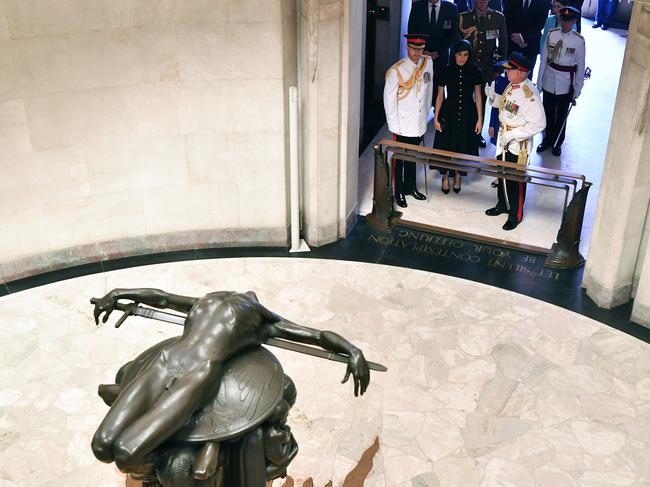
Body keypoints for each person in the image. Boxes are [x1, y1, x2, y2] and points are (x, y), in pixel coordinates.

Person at [91, 288, 370, 475]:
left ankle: (198, 455)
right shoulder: (249, 314)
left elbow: (161, 298)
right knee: (104, 447)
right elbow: (318, 336)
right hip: (166, 361)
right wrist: (351, 351)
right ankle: (169, 448)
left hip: (196, 373)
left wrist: (116, 294)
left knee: (124, 454)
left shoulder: (222, 304)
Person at [485, 52, 546, 230]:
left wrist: (513, 135)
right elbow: (508, 106)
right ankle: (502, 204)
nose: (506, 71)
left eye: (509, 69)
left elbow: (539, 124)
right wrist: (493, 98)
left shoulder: (530, 95)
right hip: (504, 137)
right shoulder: (512, 86)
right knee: (502, 172)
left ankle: (515, 214)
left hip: (518, 144)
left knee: (515, 180)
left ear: (519, 72)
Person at [383, 33, 434, 208]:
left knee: (412, 157)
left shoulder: (428, 63)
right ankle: (398, 191)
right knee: (399, 159)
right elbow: (389, 102)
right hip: (402, 124)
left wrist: (426, 114)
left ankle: (410, 187)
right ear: (407, 47)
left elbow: (429, 90)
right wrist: (394, 126)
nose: (416, 53)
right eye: (413, 49)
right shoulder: (396, 71)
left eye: (420, 50)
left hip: (418, 122)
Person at [432, 40, 484, 193]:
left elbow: (478, 96)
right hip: (449, 111)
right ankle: (445, 175)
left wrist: (480, 119)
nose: (462, 58)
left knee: (462, 143)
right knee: (447, 143)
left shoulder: (475, 71)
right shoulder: (445, 70)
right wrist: (435, 118)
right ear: (453, 55)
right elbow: (440, 96)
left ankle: (458, 174)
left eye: (465, 55)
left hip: (468, 112)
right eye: (459, 55)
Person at [457, 0, 508, 146]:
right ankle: (463, 131)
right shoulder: (464, 18)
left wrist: (499, 68)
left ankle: (477, 133)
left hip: (487, 68)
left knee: (482, 100)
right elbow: (457, 43)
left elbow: (503, 44)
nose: (482, 2)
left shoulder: (498, 18)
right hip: (468, 66)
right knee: (465, 98)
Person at [536, 6, 585, 156]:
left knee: (562, 114)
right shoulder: (552, 35)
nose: (565, 24)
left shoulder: (578, 41)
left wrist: (578, 88)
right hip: (550, 79)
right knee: (548, 111)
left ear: (574, 21)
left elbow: (580, 66)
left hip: (566, 83)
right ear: (559, 19)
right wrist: (539, 82)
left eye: (568, 21)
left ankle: (558, 142)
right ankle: (547, 139)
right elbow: (544, 59)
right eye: (563, 20)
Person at [408, 0, 459, 86]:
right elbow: (412, 32)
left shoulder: (451, 8)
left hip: (441, 58)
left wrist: (439, 52)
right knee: (421, 87)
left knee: (438, 88)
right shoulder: (417, 6)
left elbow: (452, 35)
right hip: (421, 56)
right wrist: (423, 51)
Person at [503, 0, 551, 77]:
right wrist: (516, 37)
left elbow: (540, 23)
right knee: (510, 76)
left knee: (527, 78)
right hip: (512, 43)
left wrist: (523, 37)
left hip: (531, 44)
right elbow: (506, 18)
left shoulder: (544, 2)